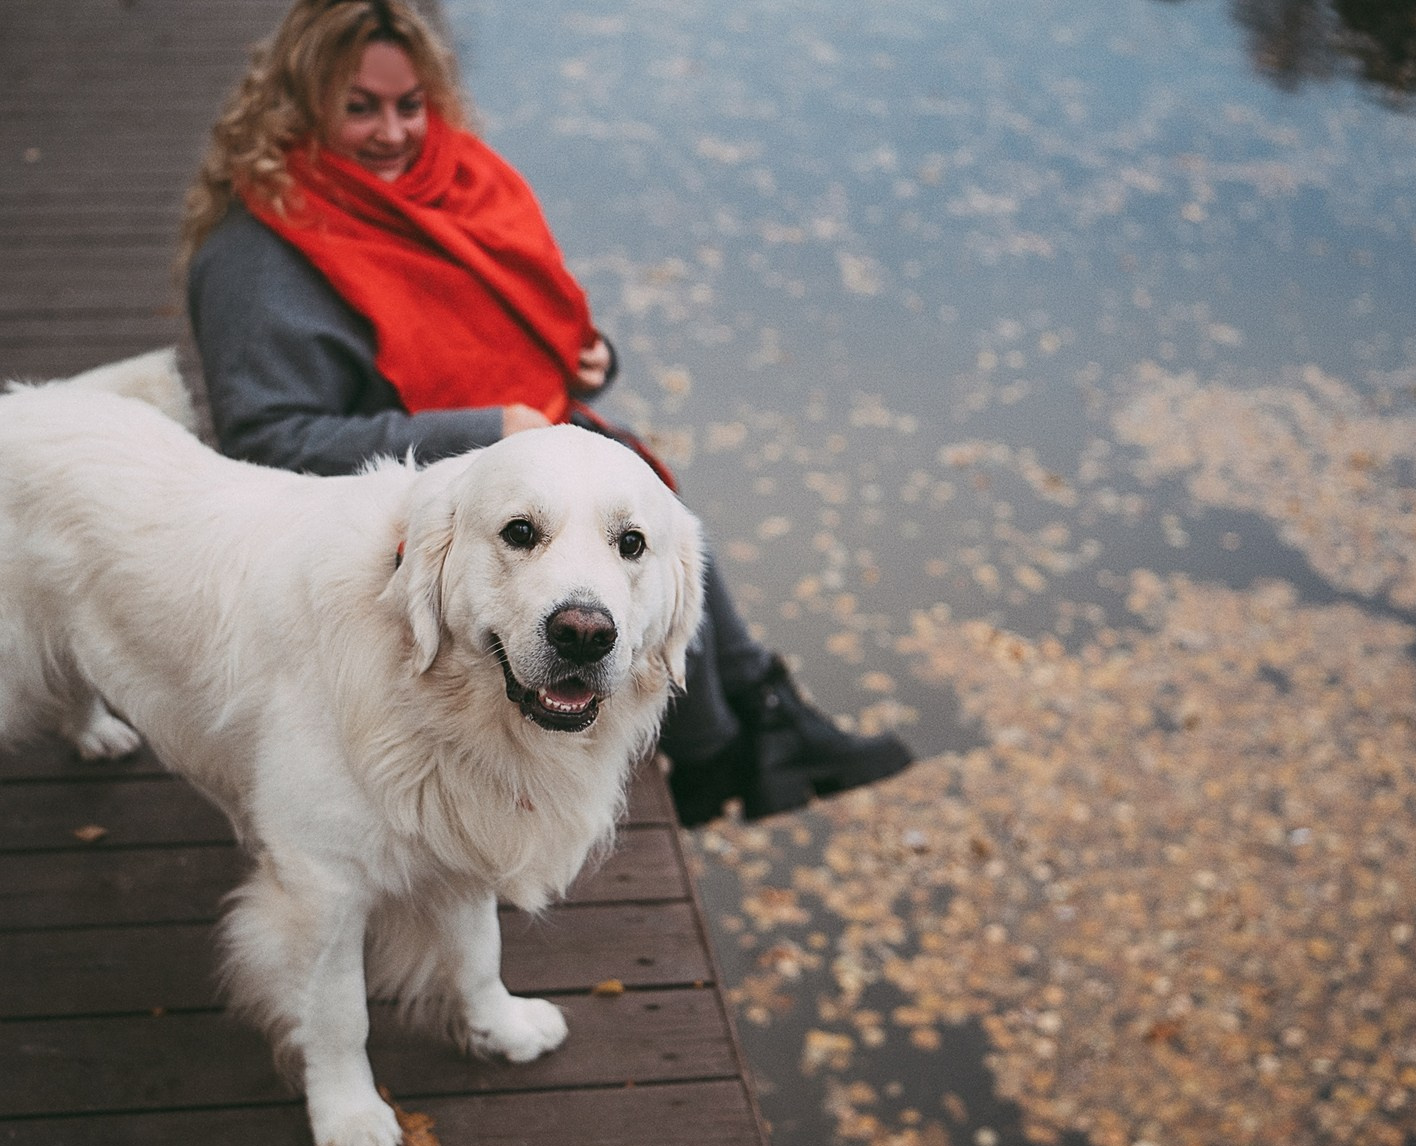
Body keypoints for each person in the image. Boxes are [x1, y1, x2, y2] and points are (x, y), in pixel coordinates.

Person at [180, 0, 910, 825]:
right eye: (359, 107)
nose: (392, 132)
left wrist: (586, 358)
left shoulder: (449, 191)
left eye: (409, 105)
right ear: (298, 105)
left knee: (649, 513)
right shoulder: (256, 259)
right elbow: (270, 446)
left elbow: (515, 328)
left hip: (501, 452)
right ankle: (730, 743)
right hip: (374, 523)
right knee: (620, 508)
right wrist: (491, 432)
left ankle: (757, 718)